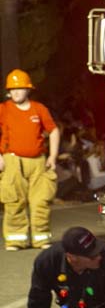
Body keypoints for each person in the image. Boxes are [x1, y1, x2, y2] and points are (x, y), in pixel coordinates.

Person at [1, 69, 59, 250]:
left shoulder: (39, 109)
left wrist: (53, 156)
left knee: (41, 202)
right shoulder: (4, 109)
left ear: (28, 89)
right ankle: (15, 240)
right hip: (12, 161)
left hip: (38, 162)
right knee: (14, 202)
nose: (16, 92)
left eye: (19, 88)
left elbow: (53, 131)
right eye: (12, 89)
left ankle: (41, 239)